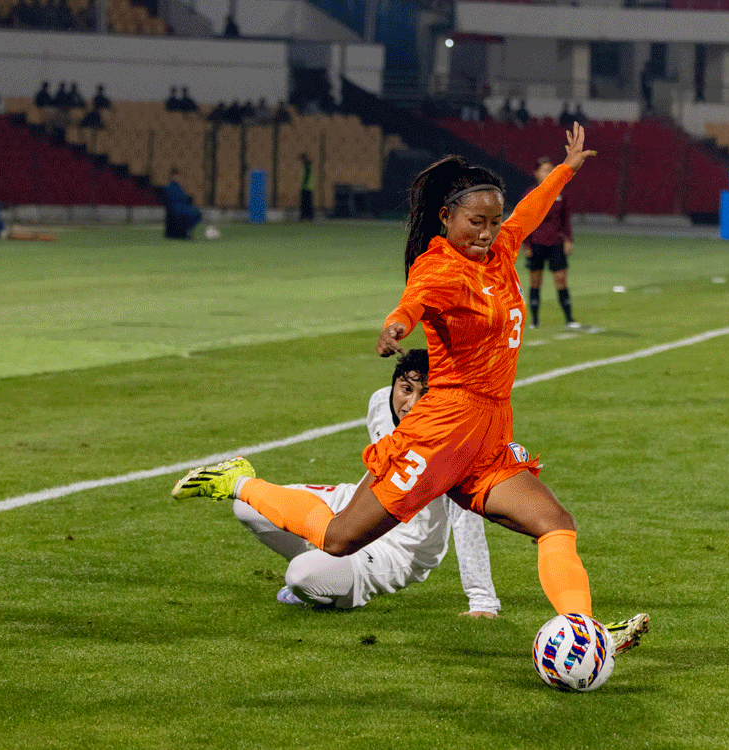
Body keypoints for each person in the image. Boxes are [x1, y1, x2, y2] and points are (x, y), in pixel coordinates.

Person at [172, 123, 650, 655]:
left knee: (555, 523)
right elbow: (413, 300)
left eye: (493, 221)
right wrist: (397, 326)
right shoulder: (440, 267)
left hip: (489, 431)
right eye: (476, 222)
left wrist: (564, 170)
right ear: (446, 218)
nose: (487, 232)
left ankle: (584, 633)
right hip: (443, 430)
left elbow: (528, 213)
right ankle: (239, 482)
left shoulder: (500, 252)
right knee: (338, 539)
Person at [196, 349, 502, 614]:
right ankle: (331, 565)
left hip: (401, 549)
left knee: (301, 577)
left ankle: (328, 578)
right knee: (248, 506)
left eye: (425, 394)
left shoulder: (451, 443)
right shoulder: (380, 403)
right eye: (406, 389)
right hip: (356, 503)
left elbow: (465, 521)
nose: (410, 403)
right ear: (394, 384)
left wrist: (483, 601)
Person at [522, 155, 580, 329]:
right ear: (536, 173)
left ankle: (569, 319)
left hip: (556, 242)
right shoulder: (530, 193)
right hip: (536, 242)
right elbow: (524, 220)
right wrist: (526, 244)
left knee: (561, 279)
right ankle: (534, 321)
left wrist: (568, 239)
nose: (548, 173)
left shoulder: (560, 193)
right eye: (544, 170)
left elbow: (565, 220)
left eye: (550, 170)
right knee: (535, 281)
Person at [163, 166, 202, 238]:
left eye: (178, 176)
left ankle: (185, 231)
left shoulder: (179, 187)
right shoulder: (169, 186)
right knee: (191, 213)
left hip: (182, 207)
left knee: (196, 213)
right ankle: (182, 232)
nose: (177, 178)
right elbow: (171, 200)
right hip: (175, 208)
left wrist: (189, 199)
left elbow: (184, 198)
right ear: (172, 176)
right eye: (175, 176)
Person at [299, 152, 314, 222]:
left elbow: (306, 177)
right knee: (307, 202)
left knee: (305, 202)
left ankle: (306, 216)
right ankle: (308, 216)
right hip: (308, 187)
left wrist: (303, 185)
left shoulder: (307, 166)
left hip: (306, 187)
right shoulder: (308, 165)